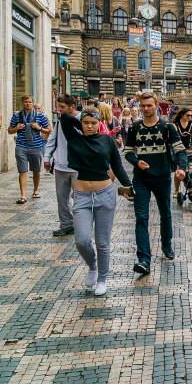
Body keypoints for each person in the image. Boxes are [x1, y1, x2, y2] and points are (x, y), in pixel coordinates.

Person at [57, 107, 133, 296]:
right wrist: (85, 118)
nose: (90, 126)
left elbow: (117, 165)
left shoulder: (107, 141)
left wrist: (129, 185)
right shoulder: (75, 138)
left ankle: (102, 279)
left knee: (102, 242)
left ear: (99, 123)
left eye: (93, 123)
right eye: (86, 123)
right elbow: (65, 117)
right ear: (81, 123)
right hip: (82, 196)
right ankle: (92, 265)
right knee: (81, 240)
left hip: (105, 194)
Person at [124, 92, 188, 276]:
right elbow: (127, 151)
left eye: (149, 105)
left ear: (156, 105)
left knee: (165, 213)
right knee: (141, 218)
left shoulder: (167, 127)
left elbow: (180, 150)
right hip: (141, 178)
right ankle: (144, 259)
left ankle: (167, 245)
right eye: (143, 106)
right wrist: (136, 162)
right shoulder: (135, 127)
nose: (146, 109)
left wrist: (181, 168)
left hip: (162, 177)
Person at [44, 95, 80, 236]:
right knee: (62, 198)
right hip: (60, 166)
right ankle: (66, 225)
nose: (59, 110)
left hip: (78, 167)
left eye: (62, 107)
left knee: (79, 198)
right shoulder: (60, 121)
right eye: (58, 107)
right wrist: (47, 157)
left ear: (72, 106)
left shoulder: (83, 120)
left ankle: (80, 224)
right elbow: (52, 140)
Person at [7, 95, 52, 205]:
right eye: (26, 102)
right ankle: (23, 195)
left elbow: (49, 130)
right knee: (22, 171)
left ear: (33, 103)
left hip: (36, 146)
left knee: (36, 170)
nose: (28, 104)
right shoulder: (17, 116)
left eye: (30, 102)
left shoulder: (40, 116)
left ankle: (36, 190)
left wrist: (39, 128)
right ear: (22, 103)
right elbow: (9, 130)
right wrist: (16, 128)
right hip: (21, 146)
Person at [172, 107, 192, 201]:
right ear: (182, 115)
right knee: (179, 170)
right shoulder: (175, 124)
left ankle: (190, 187)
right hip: (177, 150)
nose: (190, 117)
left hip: (188, 149)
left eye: (191, 115)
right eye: (188, 115)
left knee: (190, 169)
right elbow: (173, 138)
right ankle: (176, 190)